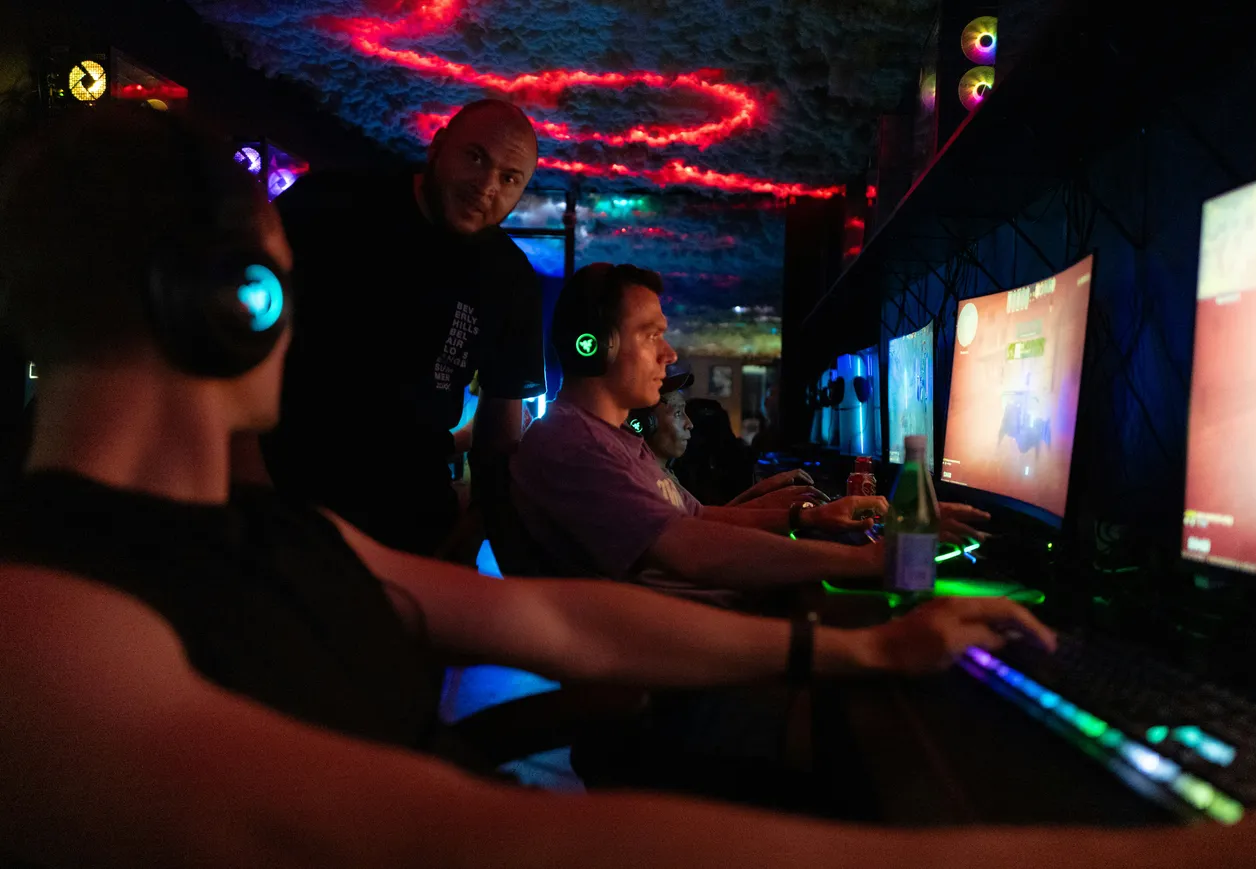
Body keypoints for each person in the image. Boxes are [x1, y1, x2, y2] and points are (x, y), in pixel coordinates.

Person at [0, 100, 1155, 869]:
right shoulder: (44, 630)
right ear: (231, 305)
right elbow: (471, 833)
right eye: (280, 287)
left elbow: (551, 612)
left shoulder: (268, 533)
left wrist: (855, 647)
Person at [510, 263, 991, 608]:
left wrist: (811, 517)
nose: (670, 353)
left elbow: (697, 519)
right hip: (674, 686)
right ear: (594, 347)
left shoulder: (618, 441)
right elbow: (690, 551)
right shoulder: (572, 446)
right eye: (651, 335)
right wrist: (872, 561)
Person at [258, 98, 545, 556]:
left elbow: (501, 434)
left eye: (509, 178)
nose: (487, 186)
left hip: (414, 518)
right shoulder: (333, 203)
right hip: (284, 493)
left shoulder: (511, 279)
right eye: (474, 157)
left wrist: (471, 532)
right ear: (437, 147)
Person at [636, 377, 828, 510]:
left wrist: (766, 489)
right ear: (645, 424)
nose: (690, 424)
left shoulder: (666, 474)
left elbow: (703, 517)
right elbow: (700, 530)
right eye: (678, 413)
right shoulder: (644, 483)